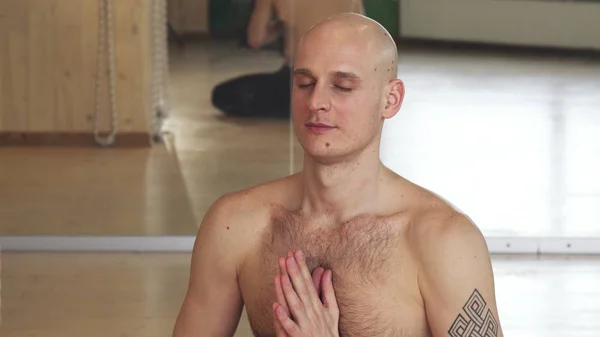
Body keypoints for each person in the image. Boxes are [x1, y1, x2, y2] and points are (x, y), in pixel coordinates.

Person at [174, 13, 505, 337]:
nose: (316, 101)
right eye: (304, 83)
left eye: (342, 87)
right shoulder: (235, 225)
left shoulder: (444, 242)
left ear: (391, 100)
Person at [211, 0, 364, 119]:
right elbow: (363, 36)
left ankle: (303, 106)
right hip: (338, 79)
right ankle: (332, 104)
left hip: (296, 81)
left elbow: (255, 39)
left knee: (223, 95)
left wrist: (280, 26)